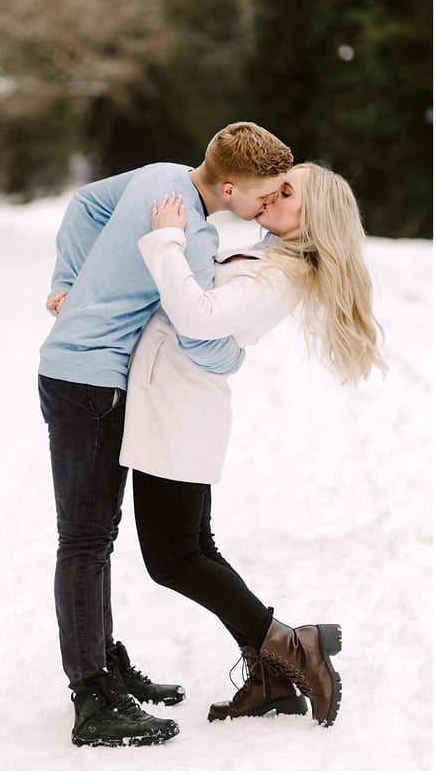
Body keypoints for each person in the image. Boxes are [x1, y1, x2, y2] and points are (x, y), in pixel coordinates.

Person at [38, 122, 294, 748]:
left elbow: (85, 204)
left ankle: (107, 665)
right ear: (230, 187)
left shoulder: (159, 176)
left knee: (96, 537)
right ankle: (93, 698)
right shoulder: (193, 236)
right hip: (91, 383)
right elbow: (199, 333)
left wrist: (65, 282)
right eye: (263, 195)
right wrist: (234, 359)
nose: (266, 205)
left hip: (83, 373)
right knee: (86, 540)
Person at [120, 164, 387, 729]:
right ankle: (269, 674)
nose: (271, 194)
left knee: (173, 559)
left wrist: (166, 236)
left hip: (181, 409)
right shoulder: (268, 253)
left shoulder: (284, 275)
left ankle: (295, 646)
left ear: (313, 216)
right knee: (194, 548)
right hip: (177, 402)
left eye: (286, 192)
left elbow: (198, 315)